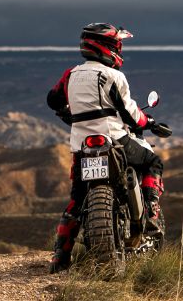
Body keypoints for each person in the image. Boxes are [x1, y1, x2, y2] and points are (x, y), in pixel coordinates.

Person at [44, 22, 170, 272]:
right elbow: (131, 113)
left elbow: (53, 99)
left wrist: (68, 113)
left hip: (81, 145)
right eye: (118, 45)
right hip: (115, 140)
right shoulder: (113, 76)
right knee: (153, 162)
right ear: (108, 47)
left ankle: (60, 257)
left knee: (76, 199)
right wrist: (150, 122)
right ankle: (152, 212)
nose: (120, 50)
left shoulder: (71, 75)